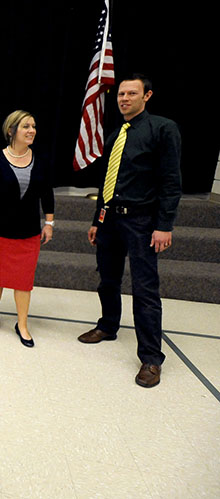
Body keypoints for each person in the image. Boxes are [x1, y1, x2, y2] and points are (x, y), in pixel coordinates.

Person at [78, 74, 182, 388]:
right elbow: (106, 182)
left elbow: (170, 181)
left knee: (145, 289)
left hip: (142, 221)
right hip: (110, 220)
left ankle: (151, 358)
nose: (124, 98)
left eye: (131, 93)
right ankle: (108, 326)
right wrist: (98, 219)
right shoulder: (115, 135)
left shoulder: (163, 129)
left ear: (147, 96)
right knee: (107, 279)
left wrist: (164, 225)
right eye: (121, 94)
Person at [0, 110, 54, 348]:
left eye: (33, 126)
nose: (31, 130)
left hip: (28, 232)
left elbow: (46, 194)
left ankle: (22, 324)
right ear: (12, 131)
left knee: (23, 281)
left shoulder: (40, 160)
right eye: (26, 126)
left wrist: (49, 222)